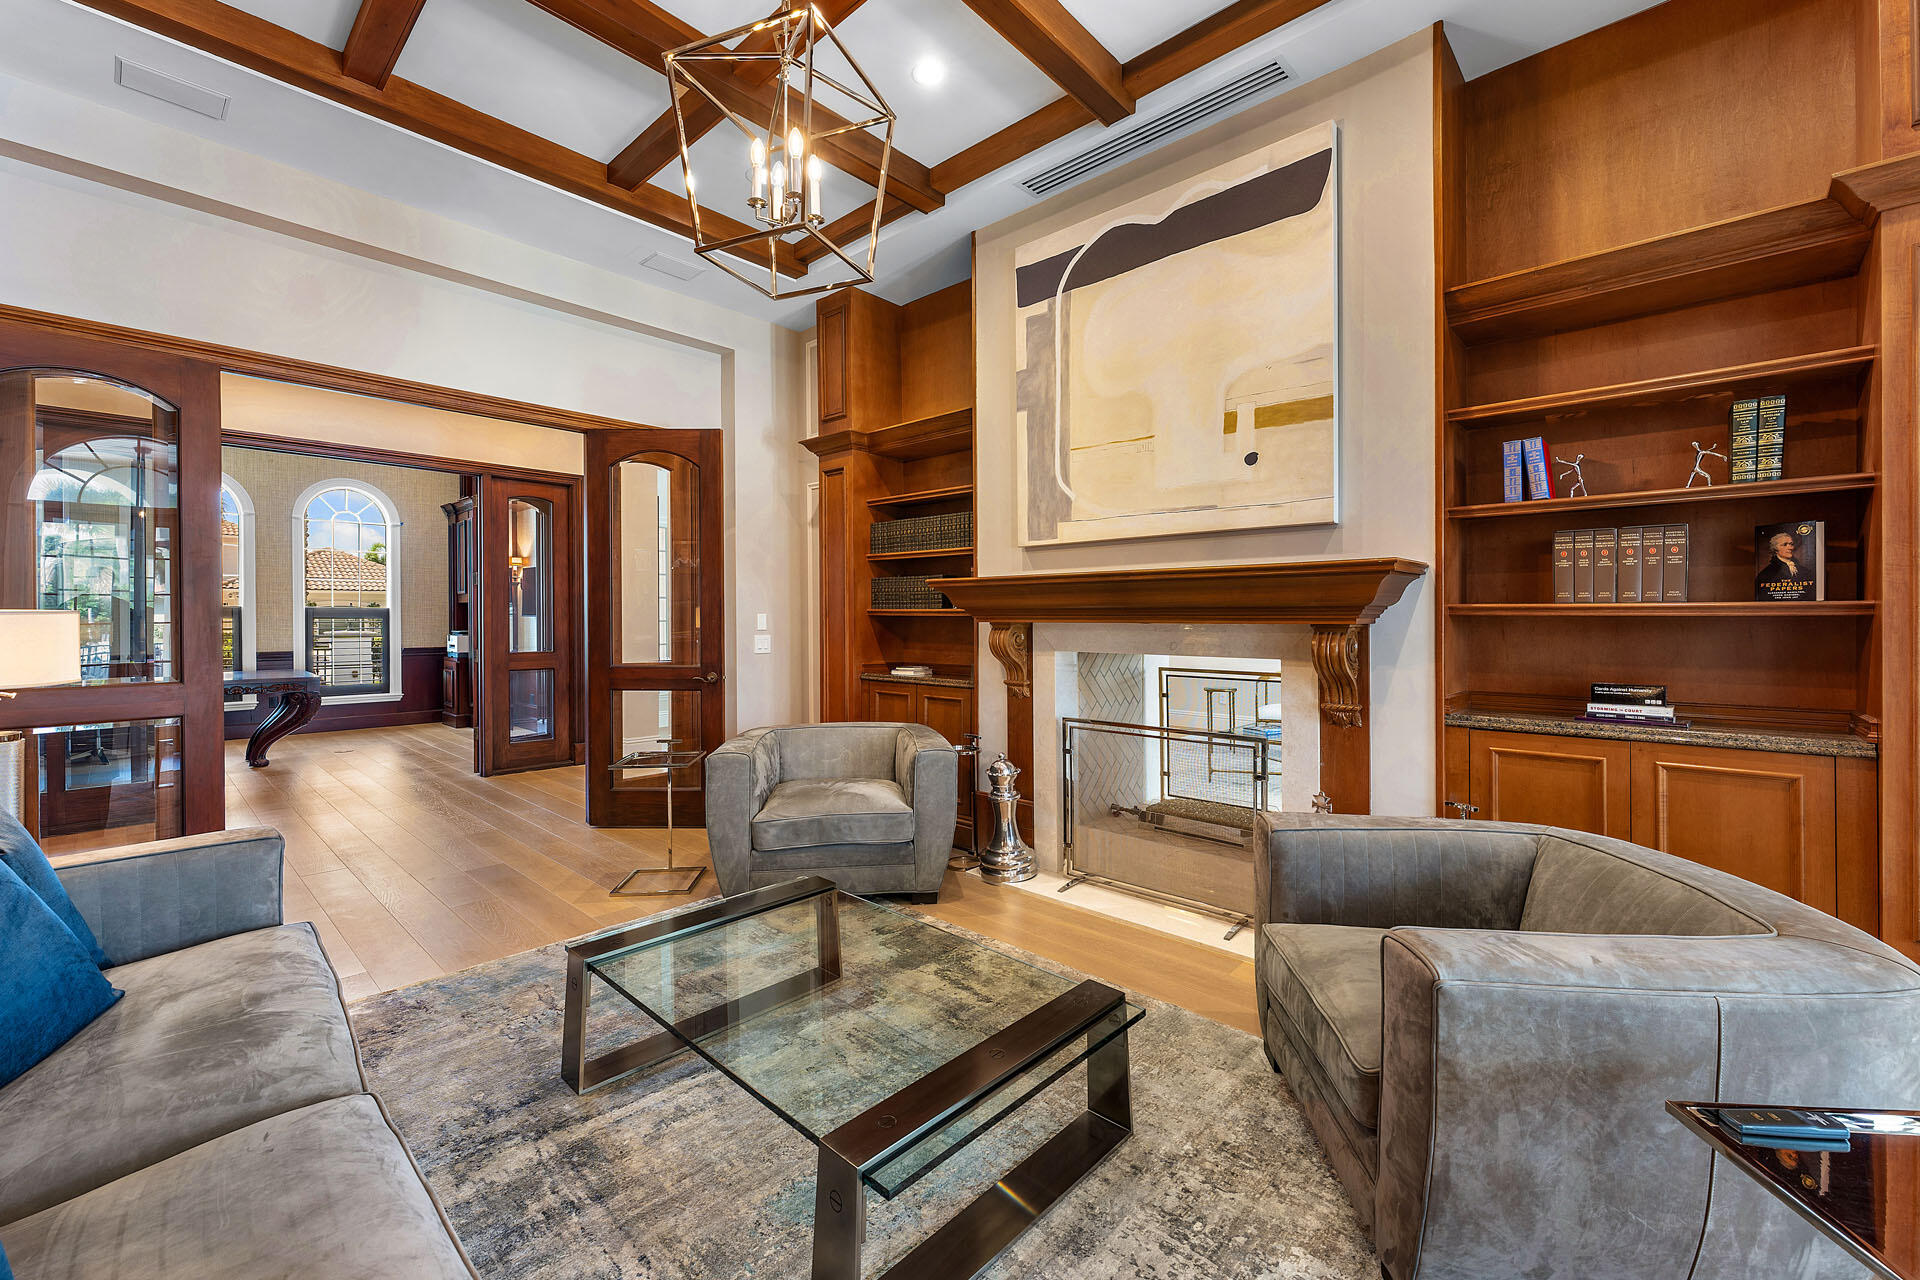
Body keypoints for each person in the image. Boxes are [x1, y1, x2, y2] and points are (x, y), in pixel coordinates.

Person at [1755, 530, 1809, 595]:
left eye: (1791, 544)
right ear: (1775, 549)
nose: (1790, 548)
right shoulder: (1765, 575)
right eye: (1785, 544)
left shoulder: (1805, 571)